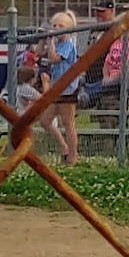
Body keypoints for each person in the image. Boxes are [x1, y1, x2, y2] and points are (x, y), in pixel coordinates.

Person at [75, 0, 129, 109]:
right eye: (96, 11)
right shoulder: (113, 40)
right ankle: (84, 92)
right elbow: (107, 61)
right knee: (95, 86)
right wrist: (107, 76)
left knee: (106, 94)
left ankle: (87, 95)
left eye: (102, 11)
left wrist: (112, 78)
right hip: (102, 78)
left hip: (126, 80)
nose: (98, 14)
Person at [44, 9, 82, 163]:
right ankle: (63, 146)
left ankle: (73, 156)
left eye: (61, 26)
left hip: (68, 88)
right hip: (56, 87)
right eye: (54, 25)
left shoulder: (67, 45)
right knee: (45, 120)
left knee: (68, 123)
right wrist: (43, 39)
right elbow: (40, 52)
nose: (57, 28)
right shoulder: (57, 43)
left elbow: (53, 59)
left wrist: (51, 40)